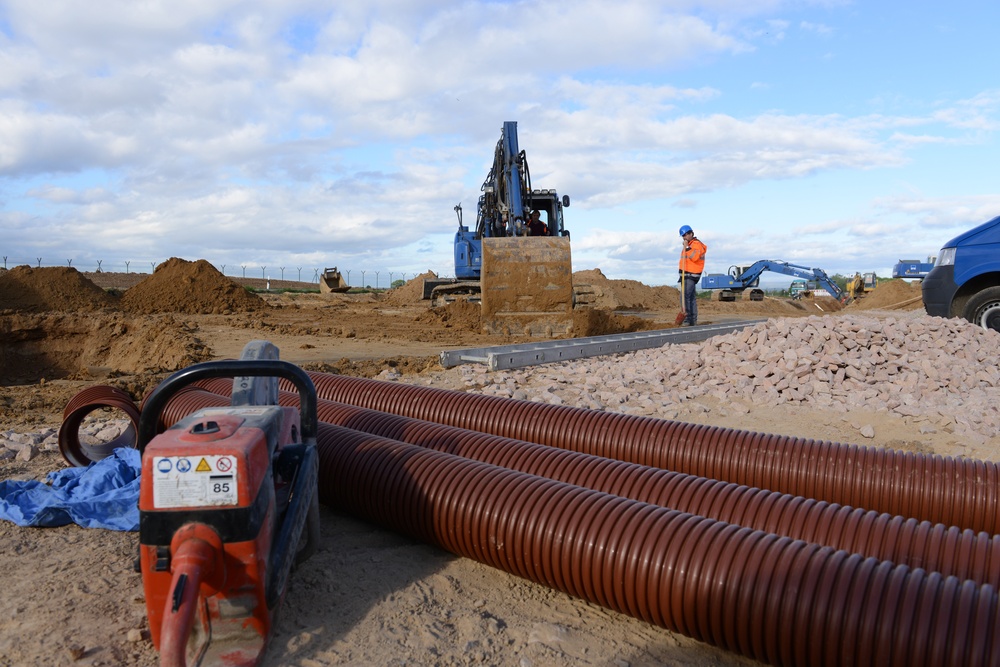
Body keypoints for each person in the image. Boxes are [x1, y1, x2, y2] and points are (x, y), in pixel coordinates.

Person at [678, 225, 707, 326]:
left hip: (691, 275)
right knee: (691, 298)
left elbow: (694, 257)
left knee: (685, 296)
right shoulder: (690, 244)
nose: (684, 237)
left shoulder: (696, 244)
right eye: (683, 236)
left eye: (686, 235)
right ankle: (692, 320)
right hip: (686, 274)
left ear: (691, 233)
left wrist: (687, 247)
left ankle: (687, 319)